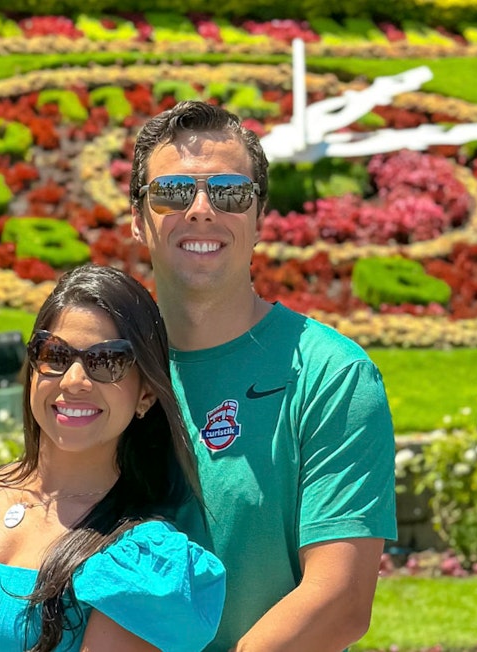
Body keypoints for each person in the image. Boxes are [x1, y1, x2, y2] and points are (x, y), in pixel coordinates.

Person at [129, 100, 398, 651]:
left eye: (230, 193)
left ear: (259, 219)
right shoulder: (108, 368)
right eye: (172, 192)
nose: (201, 209)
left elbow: (341, 601)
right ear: (138, 219)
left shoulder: (331, 375)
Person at [0, 264, 226, 652]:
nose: (73, 380)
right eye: (55, 354)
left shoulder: (137, 562)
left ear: (145, 395)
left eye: (106, 361)